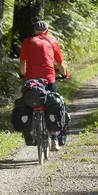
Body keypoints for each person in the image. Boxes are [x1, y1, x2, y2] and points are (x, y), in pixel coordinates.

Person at [19, 20, 68, 151]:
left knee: (27, 102)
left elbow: (22, 62)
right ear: (47, 31)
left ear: (34, 31)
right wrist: (64, 74)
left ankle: (29, 133)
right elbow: (60, 64)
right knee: (53, 103)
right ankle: (54, 139)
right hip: (49, 79)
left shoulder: (27, 42)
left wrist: (24, 74)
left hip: (31, 80)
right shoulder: (53, 41)